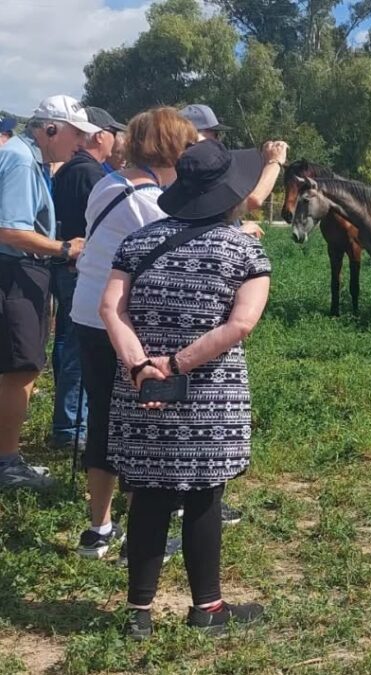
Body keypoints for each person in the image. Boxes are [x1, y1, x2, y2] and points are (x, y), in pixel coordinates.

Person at [99, 139, 271, 639]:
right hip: (209, 394)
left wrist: (140, 367)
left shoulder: (137, 242)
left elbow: (111, 308)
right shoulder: (244, 250)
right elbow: (241, 325)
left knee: (148, 493)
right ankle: (207, 609)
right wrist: (176, 364)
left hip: (141, 390)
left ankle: (137, 614)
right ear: (229, 193)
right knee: (202, 496)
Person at [72, 107, 196, 560]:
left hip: (87, 314)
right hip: (124, 324)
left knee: (103, 419)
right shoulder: (150, 201)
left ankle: (99, 529)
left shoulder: (108, 183)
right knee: (142, 426)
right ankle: (144, 539)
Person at [0, 95, 100, 491]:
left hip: (22, 271)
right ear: (52, 129)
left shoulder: (31, 160)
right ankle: (7, 463)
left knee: (19, 365)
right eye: (76, 135)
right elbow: (9, 230)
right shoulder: (24, 162)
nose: (79, 144)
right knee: (21, 367)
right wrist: (63, 248)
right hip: (15, 271)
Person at [50, 107, 126, 451]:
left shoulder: (70, 170)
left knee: (67, 344)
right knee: (78, 351)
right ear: (99, 135)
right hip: (78, 270)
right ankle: (71, 428)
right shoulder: (93, 175)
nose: (117, 139)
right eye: (113, 132)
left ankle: (67, 423)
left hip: (63, 266)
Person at [180, 103, 285, 235]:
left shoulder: (187, 168)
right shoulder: (190, 171)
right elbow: (252, 200)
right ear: (191, 137)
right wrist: (274, 162)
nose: (218, 141)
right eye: (214, 134)